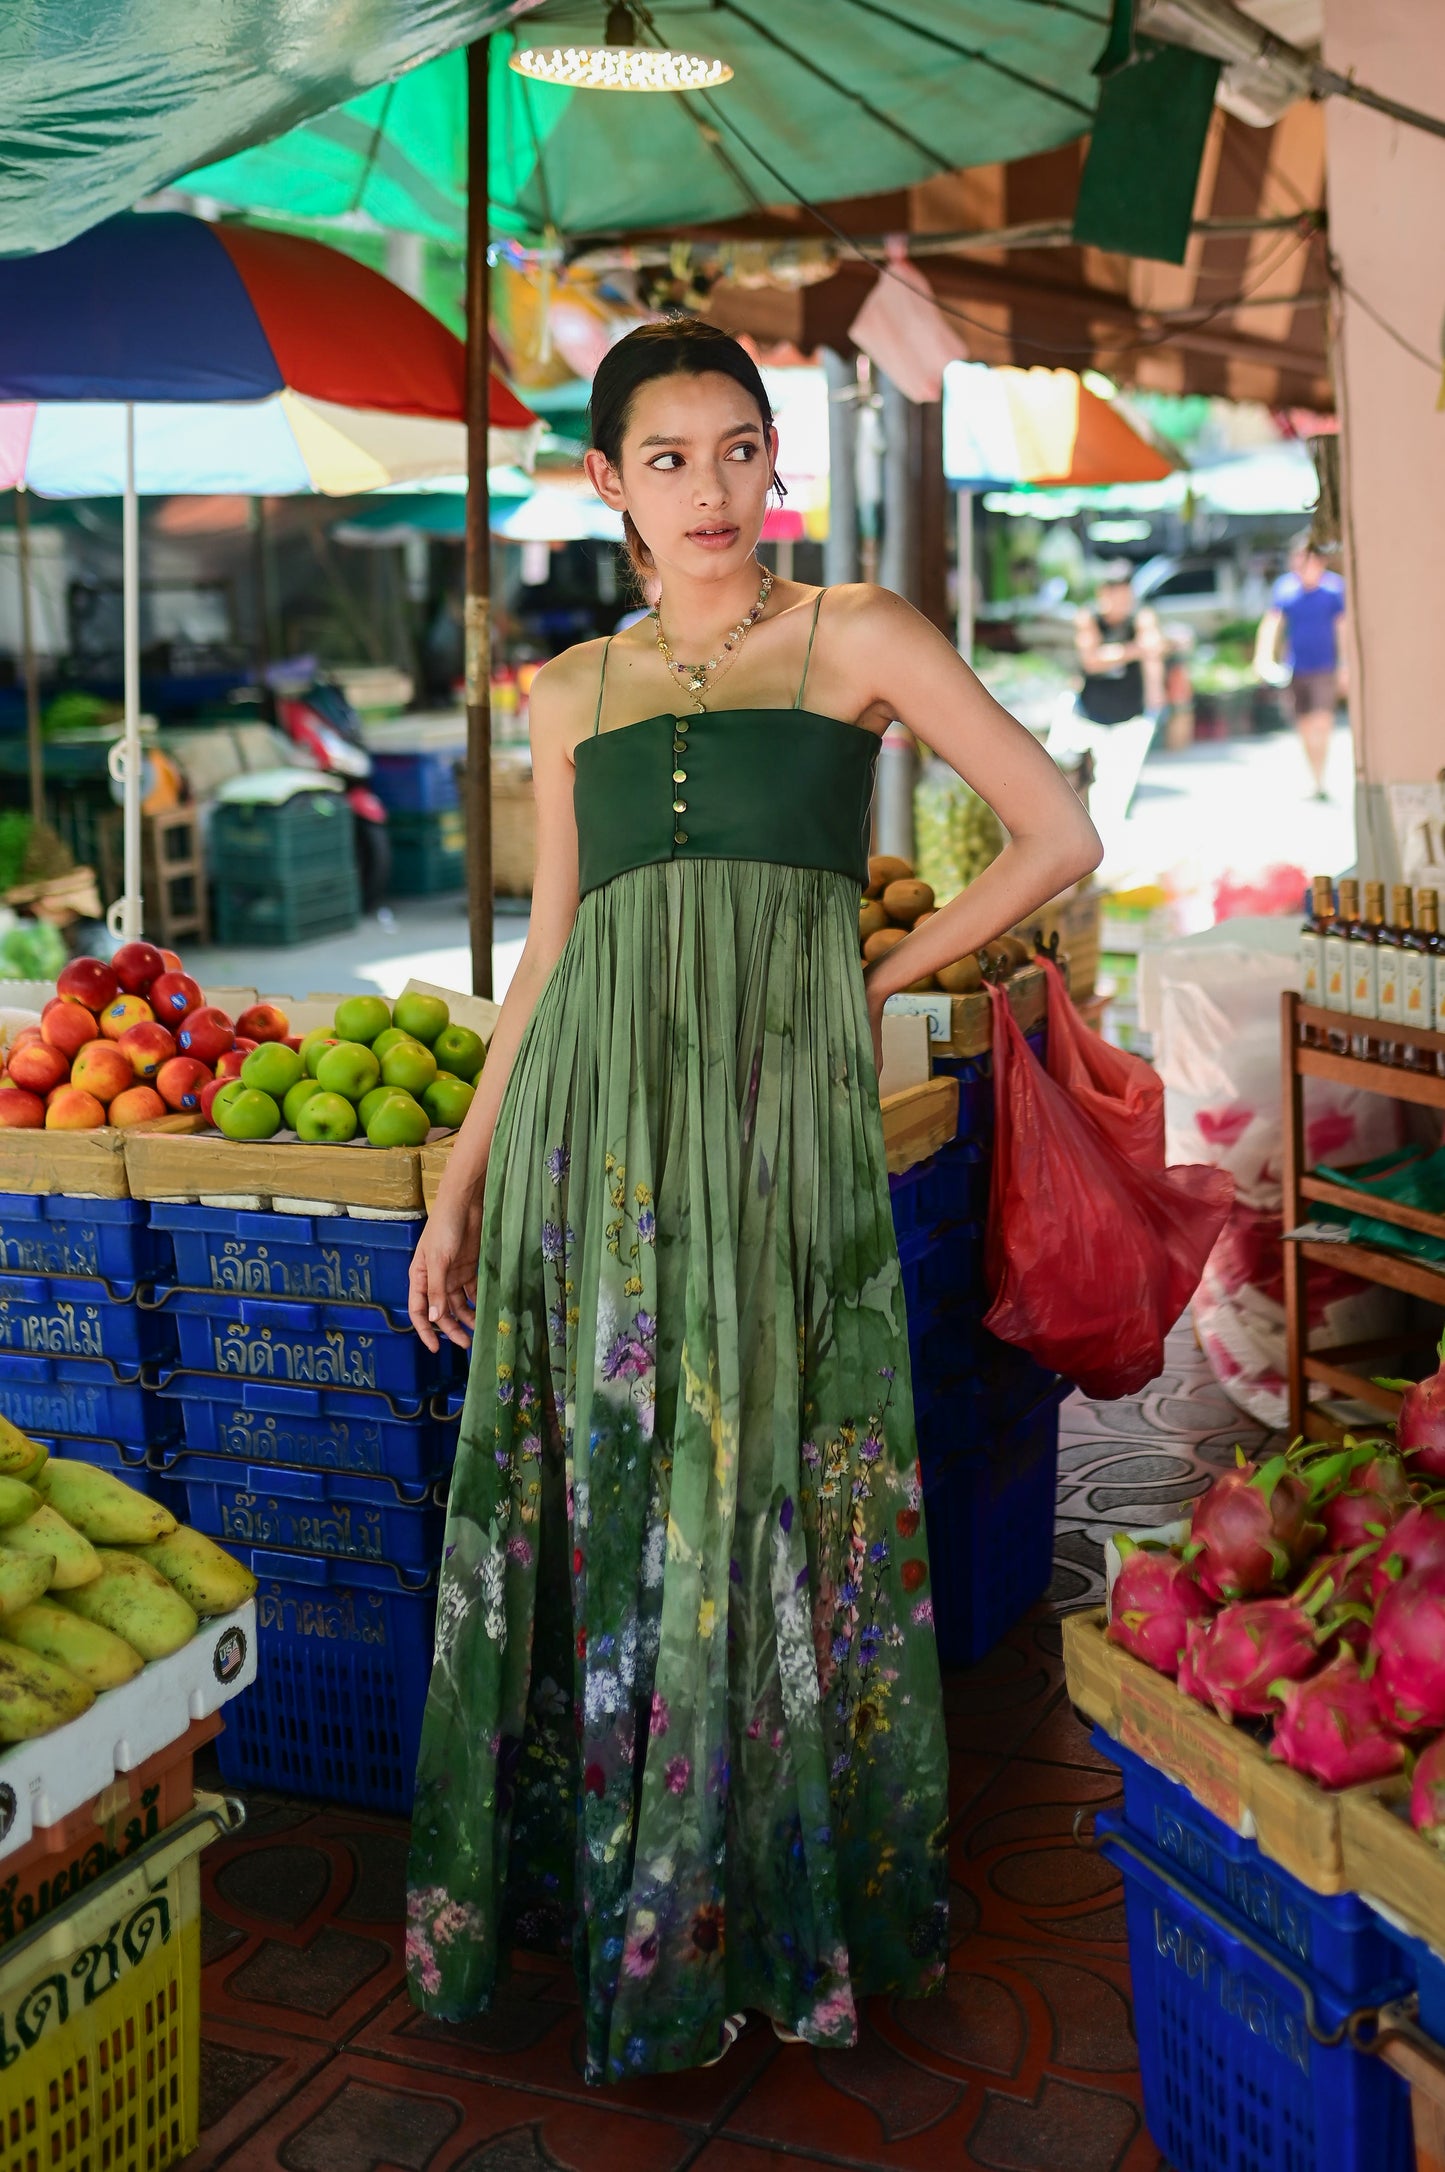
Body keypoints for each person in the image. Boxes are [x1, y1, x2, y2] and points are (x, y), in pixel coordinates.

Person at [404, 319, 1101, 2084]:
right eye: (668, 456)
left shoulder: (851, 633)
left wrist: (876, 981)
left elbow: (1052, 829)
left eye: (738, 447)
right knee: (633, 1495)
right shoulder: (566, 691)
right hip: (598, 1140)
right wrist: (460, 1184)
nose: (710, 488)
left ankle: (769, 1902)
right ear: (607, 483)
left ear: (774, 457)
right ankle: (640, 1893)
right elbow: (553, 951)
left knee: (772, 1483)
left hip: (780, 1135)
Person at [1056, 563, 1163, 873]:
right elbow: (1092, 661)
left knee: (1121, 789)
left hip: (1130, 714)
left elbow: (1152, 651)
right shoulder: (1089, 617)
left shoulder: (1141, 616)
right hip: (1091, 715)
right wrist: (1134, 651)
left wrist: (1154, 689)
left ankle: (1114, 855)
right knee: (1085, 786)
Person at [1253, 535, 1346, 799]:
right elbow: (1273, 623)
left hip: (1324, 667)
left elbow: (1342, 628)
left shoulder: (1334, 589)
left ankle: (1321, 779)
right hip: (1296, 668)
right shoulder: (1285, 589)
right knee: (1305, 726)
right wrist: (1263, 657)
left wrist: (1345, 664)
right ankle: (1315, 778)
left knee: (1322, 723)